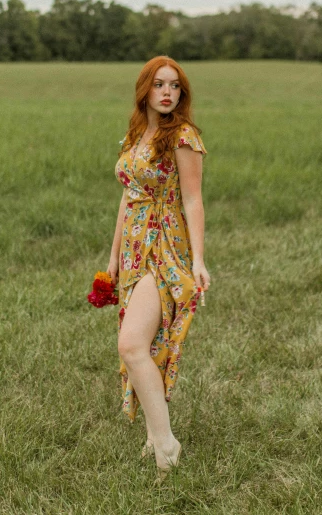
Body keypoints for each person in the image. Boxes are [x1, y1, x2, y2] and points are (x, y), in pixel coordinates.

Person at [107, 55, 210, 481]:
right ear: (145, 90)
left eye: (175, 86)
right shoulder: (138, 132)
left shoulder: (182, 137)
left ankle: (166, 443)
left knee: (132, 345)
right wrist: (113, 257)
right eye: (159, 85)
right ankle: (155, 435)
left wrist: (199, 259)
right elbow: (129, 196)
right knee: (142, 346)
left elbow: (193, 200)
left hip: (163, 247)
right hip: (133, 249)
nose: (167, 92)